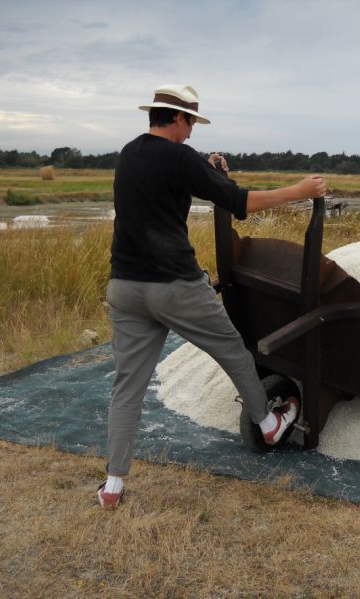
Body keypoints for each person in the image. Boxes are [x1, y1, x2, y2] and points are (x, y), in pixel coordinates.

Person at [98, 84, 326, 509]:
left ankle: (112, 485)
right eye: (191, 124)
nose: (192, 133)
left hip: (125, 287)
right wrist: (299, 191)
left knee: (127, 387)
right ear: (179, 119)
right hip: (175, 287)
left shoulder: (129, 153)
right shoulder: (181, 157)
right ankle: (268, 423)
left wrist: (207, 168)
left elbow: (168, 177)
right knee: (234, 351)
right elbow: (239, 202)